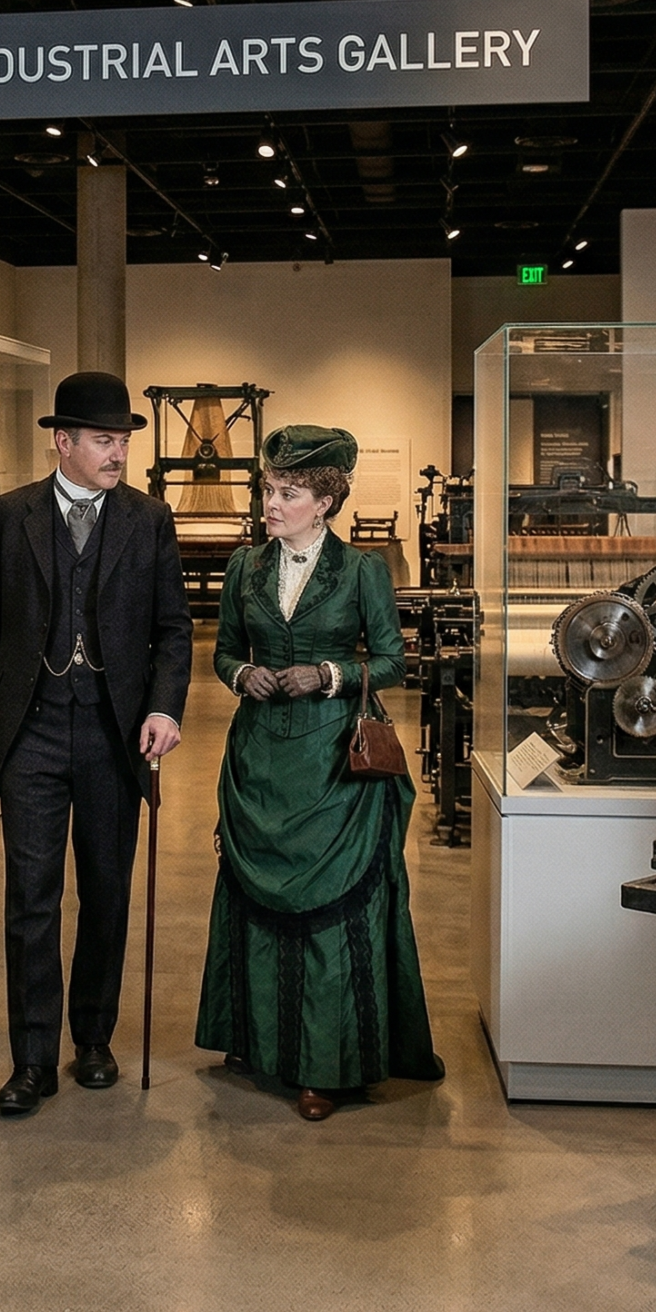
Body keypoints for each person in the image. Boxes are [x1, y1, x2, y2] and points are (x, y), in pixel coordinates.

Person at [0, 370, 192, 1117]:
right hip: (30, 732)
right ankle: (31, 1060)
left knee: (107, 891)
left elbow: (173, 630)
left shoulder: (148, 520)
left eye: (122, 441)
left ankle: (92, 1037)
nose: (117, 453)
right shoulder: (11, 513)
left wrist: (164, 708)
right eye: (102, 440)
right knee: (30, 898)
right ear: (63, 442)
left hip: (113, 736)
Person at [195, 424, 443, 1121]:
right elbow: (220, 655)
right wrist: (245, 674)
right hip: (258, 759)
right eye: (269, 490)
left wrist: (329, 674)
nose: (271, 504)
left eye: (288, 493)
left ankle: (325, 1065)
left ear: (326, 501)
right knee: (256, 904)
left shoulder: (363, 571)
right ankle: (254, 1042)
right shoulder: (245, 567)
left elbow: (395, 661)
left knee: (331, 907)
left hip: (335, 763)